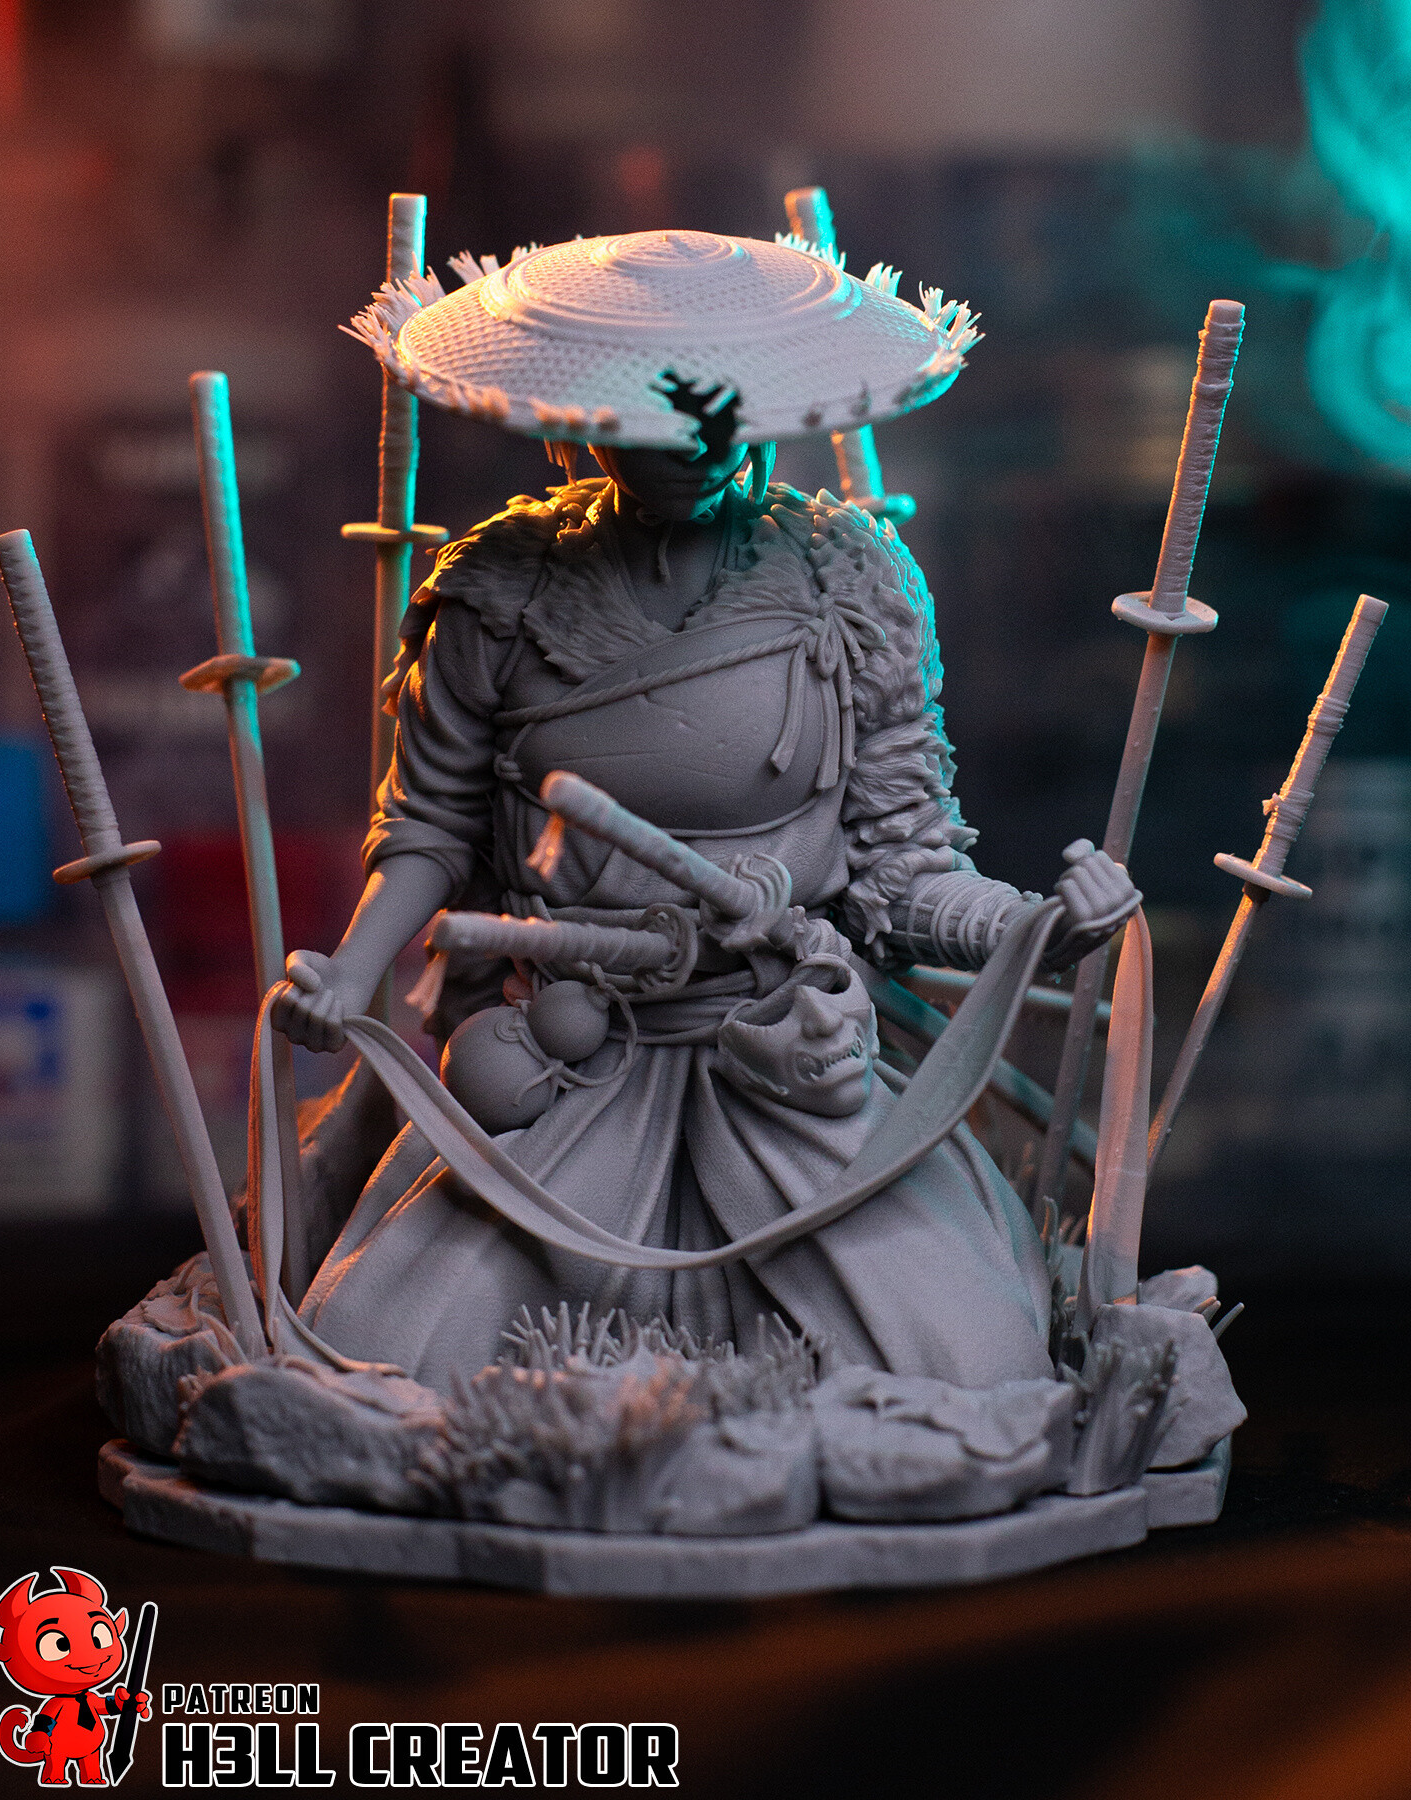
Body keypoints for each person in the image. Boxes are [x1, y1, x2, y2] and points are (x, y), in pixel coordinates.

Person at [271, 230, 1139, 1392]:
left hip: (778, 1053)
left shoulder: (854, 582)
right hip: (567, 1056)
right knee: (388, 1355)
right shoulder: (496, 592)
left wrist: (1039, 926)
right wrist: (347, 968)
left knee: (964, 1363)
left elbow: (905, 869)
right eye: (653, 419)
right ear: (580, 417)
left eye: (721, 417)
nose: (692, 445)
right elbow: (428, 825)